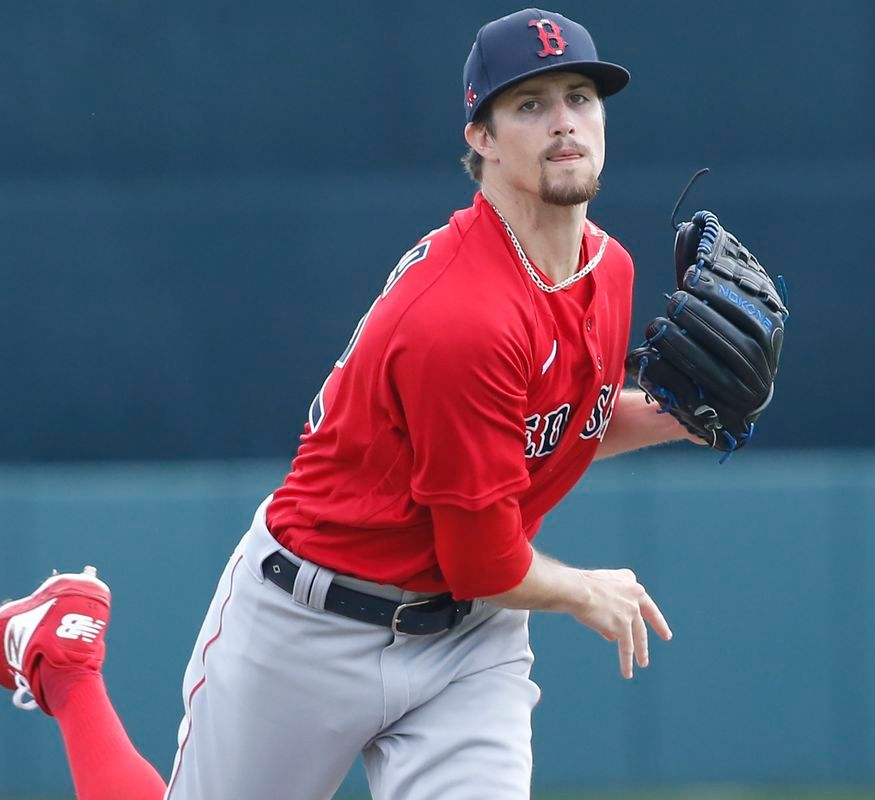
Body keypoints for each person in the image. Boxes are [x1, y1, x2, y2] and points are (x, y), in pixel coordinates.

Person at [0, 8, 691, 800]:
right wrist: (583, 590)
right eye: (531, 105)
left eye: (581, 97)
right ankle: (64, 669)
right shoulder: (462, 315)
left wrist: (689, 416)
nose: (565, 123)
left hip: (469, 642)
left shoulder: (610, 269)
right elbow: (483, 557)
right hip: (311, 623)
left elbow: (564, 432)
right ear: (483, 139)